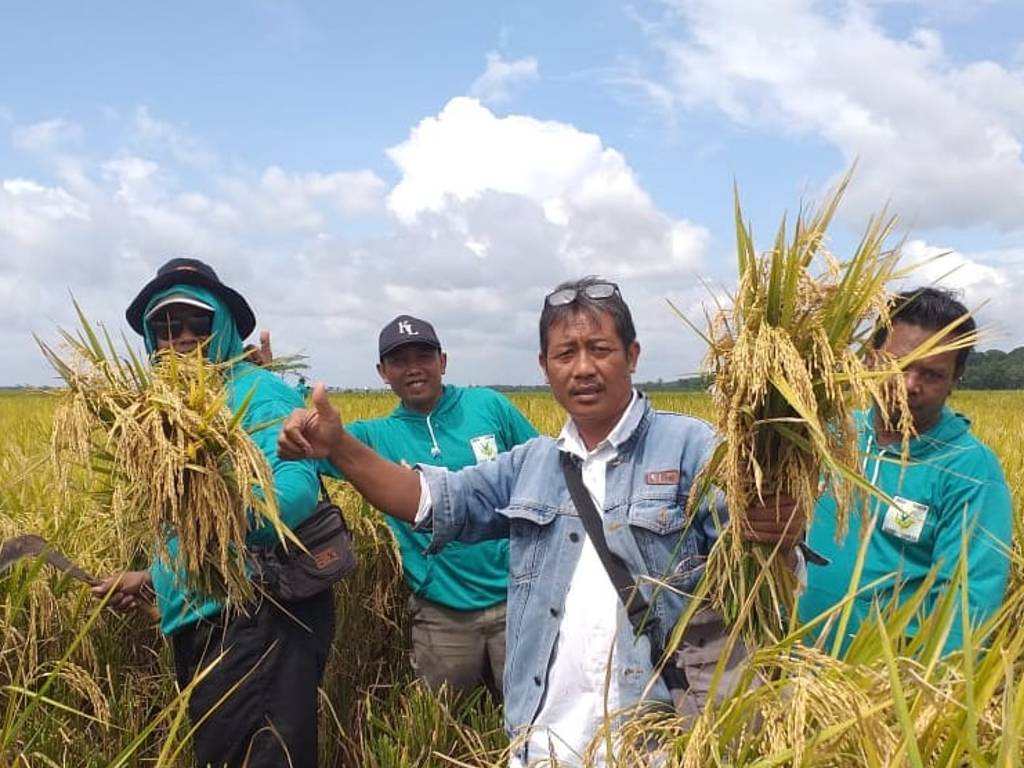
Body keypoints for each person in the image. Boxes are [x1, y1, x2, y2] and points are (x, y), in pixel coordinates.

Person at [278, 277, 803, 766]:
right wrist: (341, 448)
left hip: (656, 744)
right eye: (565, 353)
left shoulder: (695, 448)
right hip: (545, 743)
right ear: (545, 366)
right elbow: (434, 500)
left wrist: (779, 531)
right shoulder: (531, 464)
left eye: (599, 349)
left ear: (632, 355)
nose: (582, 368)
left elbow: (760, 578)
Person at [92, 258, 331, 768]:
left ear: (221, 326)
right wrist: (153, 577)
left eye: (196, 323)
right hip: (204, 620)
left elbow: (292, 495)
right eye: (164, 325)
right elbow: (188, 533)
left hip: (259, 619)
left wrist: (215, 514)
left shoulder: (255, 391)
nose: (179, 337)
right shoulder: (171, 412)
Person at [328, 314, 537, 697]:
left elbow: (544, 467)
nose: (413, 369)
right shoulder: (375, 436)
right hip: (442, 612)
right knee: (444, 722)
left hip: (517, 600)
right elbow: (312, 440)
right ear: (382, 372)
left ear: (442, 361)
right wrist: (267, 383)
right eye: (399, 361)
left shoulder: (488, 406)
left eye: (423, 356)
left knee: (532, 714)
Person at [799, 287, 1013, 655]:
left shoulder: (970, 469)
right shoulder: (829, 436)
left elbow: (966, 605)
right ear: (868, 361)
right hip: (791, 664)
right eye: (898, 364)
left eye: (932, 375)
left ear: (954, 381)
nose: (910, 385)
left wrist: (920, 700)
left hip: (882, 689)